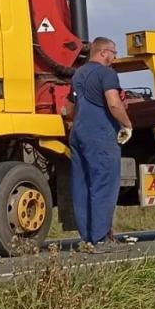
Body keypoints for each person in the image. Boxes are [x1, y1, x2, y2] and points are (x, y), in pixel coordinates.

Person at [64, 37, 133, 252]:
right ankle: (101, 239)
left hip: (78, 133)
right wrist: (127, 124)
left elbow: (68, 107)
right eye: (113, 52)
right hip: (100, 133)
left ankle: (87, 239)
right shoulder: (106, 73)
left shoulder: (78, 74)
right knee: (104, 183)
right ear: (103, 52)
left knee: (82, 184)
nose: (114, 57)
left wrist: (74, 123)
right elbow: (114, 103)